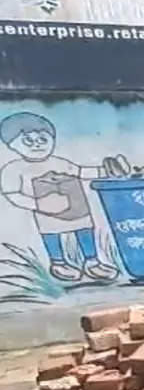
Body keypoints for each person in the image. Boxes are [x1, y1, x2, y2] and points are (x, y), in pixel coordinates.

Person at [0, 111, 120, 282]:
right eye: (28, 140)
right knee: (51, 233)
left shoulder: (59, 162)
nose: (37, 145)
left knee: (84, 229)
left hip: (77, 207)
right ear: (12, 145)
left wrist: (106, 171)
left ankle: (92, 262)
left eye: (43, 139)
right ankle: (58, 263)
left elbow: (81, 172)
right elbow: (12, 194)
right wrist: (37, 203)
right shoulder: (13, 169)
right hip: (47, 211)